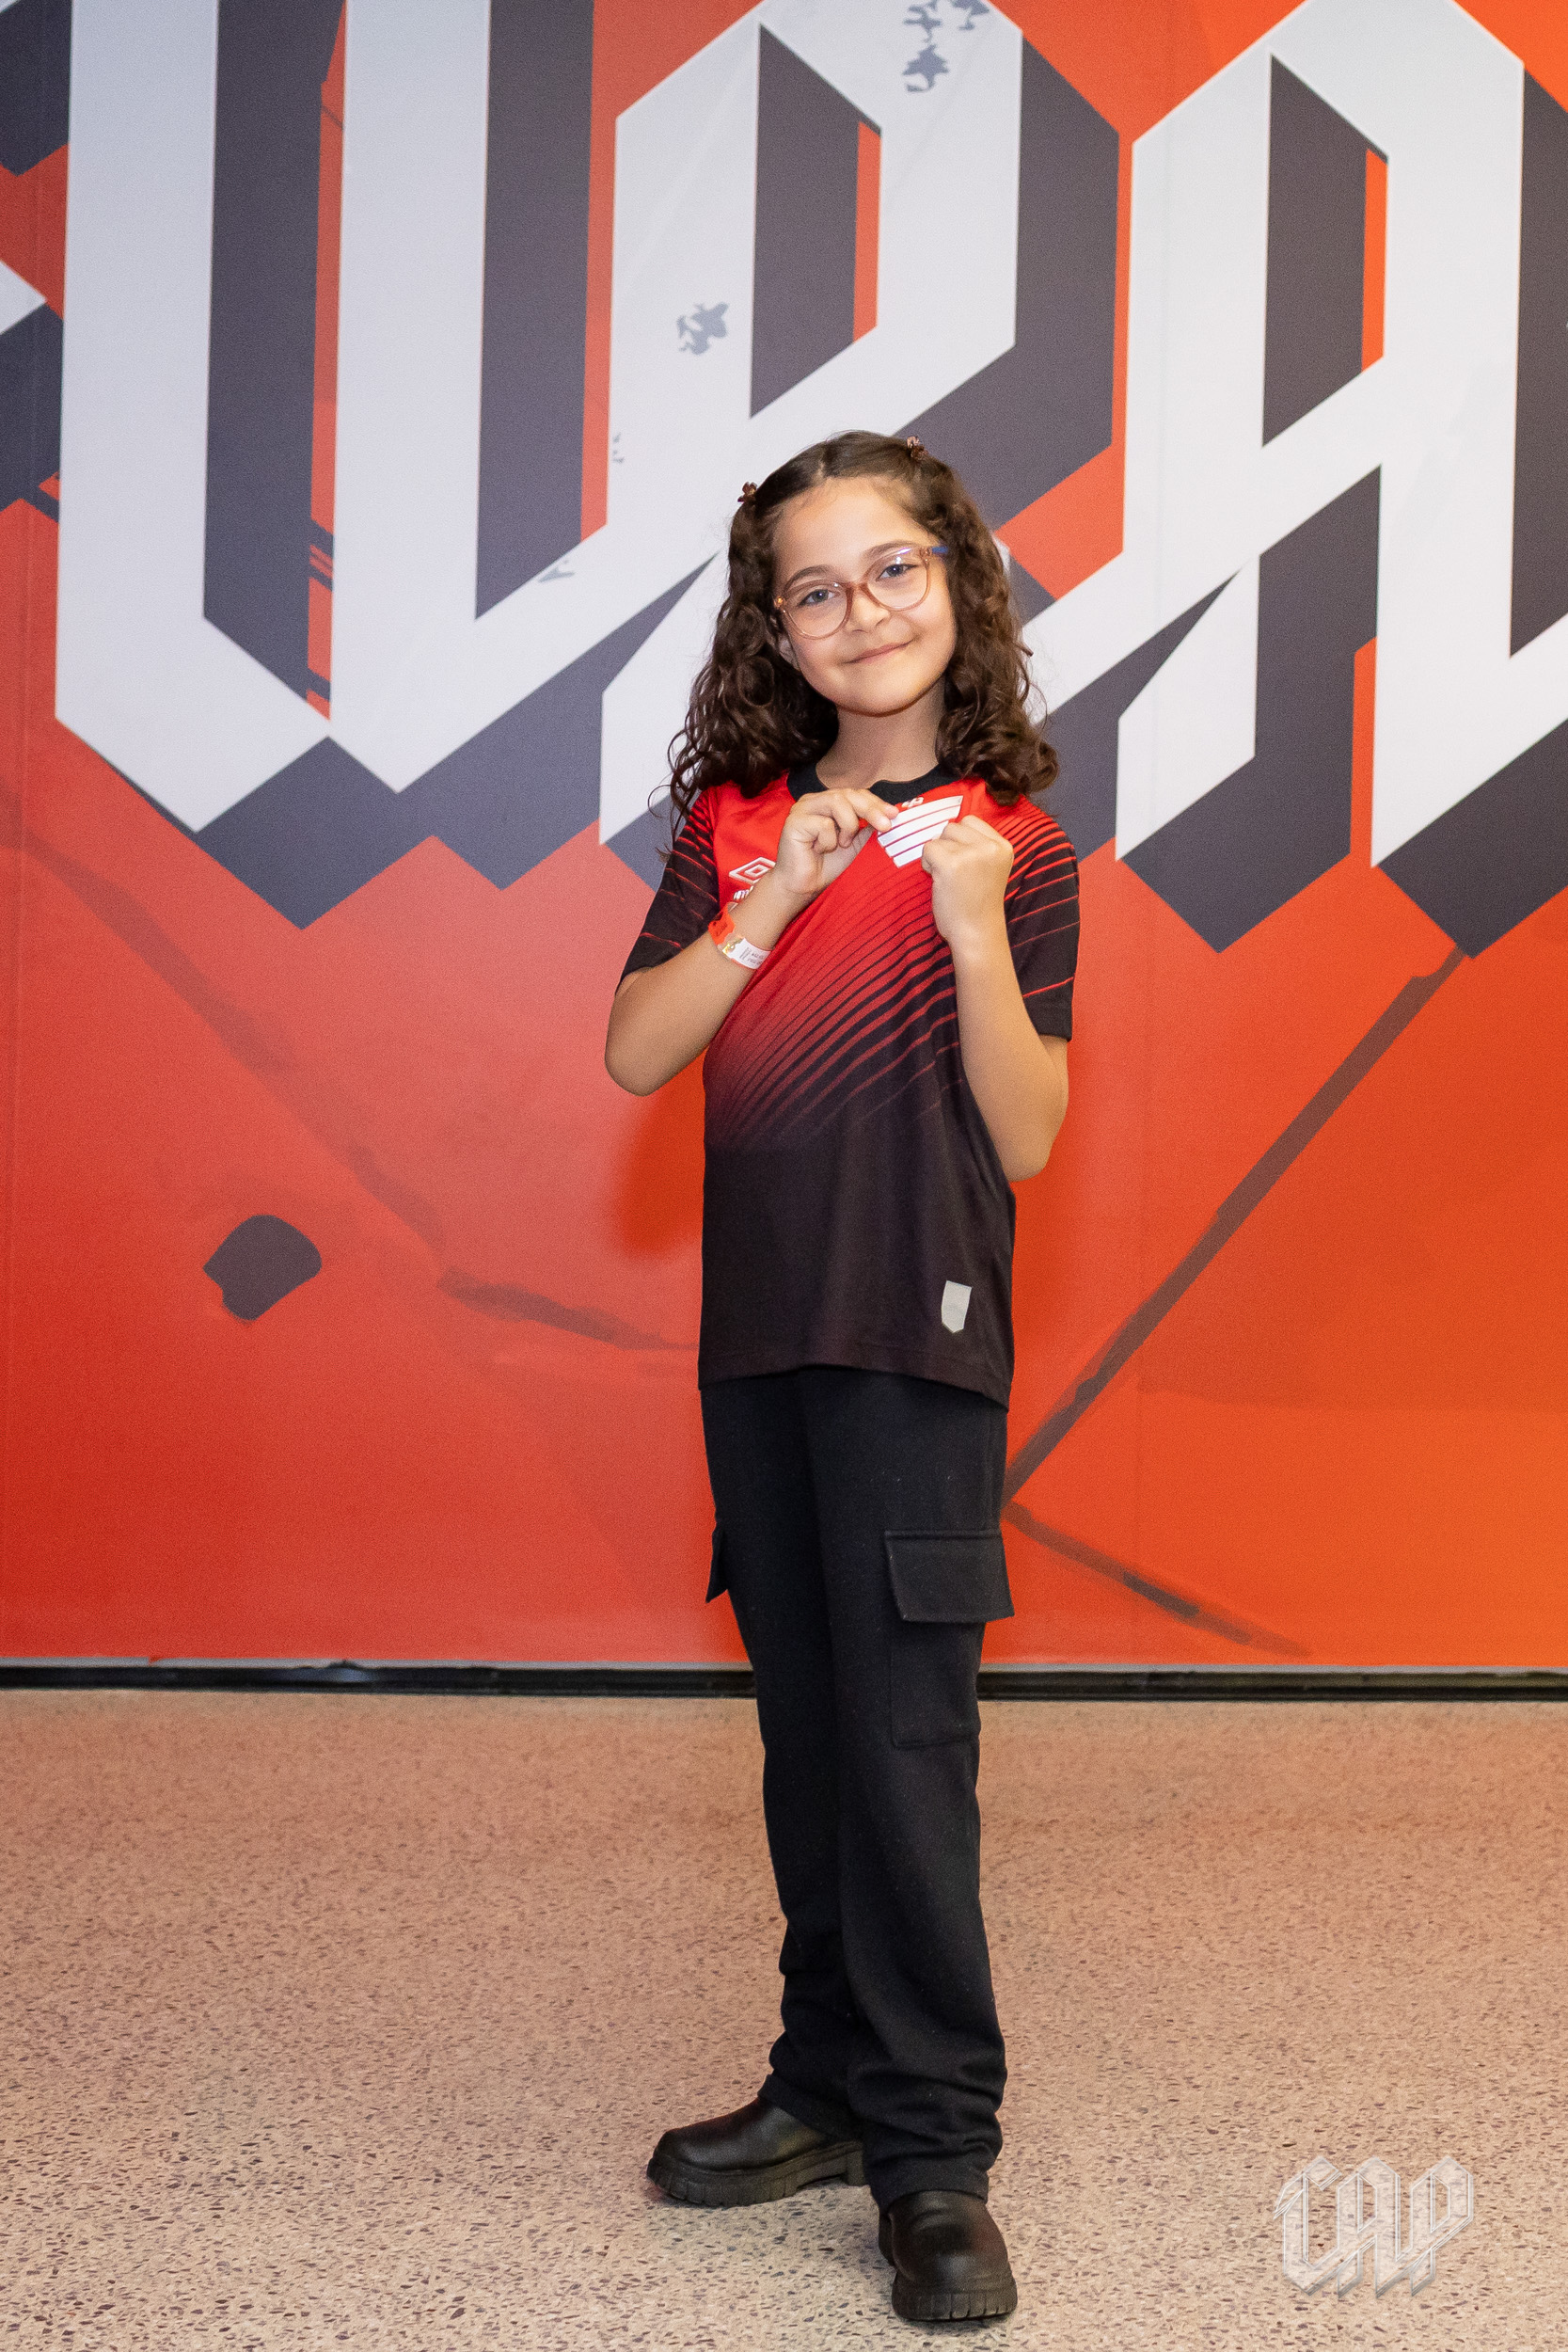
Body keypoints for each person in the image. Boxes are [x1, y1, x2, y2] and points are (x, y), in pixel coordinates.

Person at [604, 430, 1078, 2326]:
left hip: (918, 1340)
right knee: (808, 1736)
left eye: (893, 569)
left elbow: (1028, 1130)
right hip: (763, 1342)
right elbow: (640, 1051)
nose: (860, 610)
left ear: (956, 585)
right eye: (815, 587)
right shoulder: (737, 824)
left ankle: (937, 2149)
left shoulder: (1011, 847)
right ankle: (821, 2084)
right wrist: (765, 902)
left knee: (903, 1748)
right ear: (777, 632)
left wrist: (967, 929)